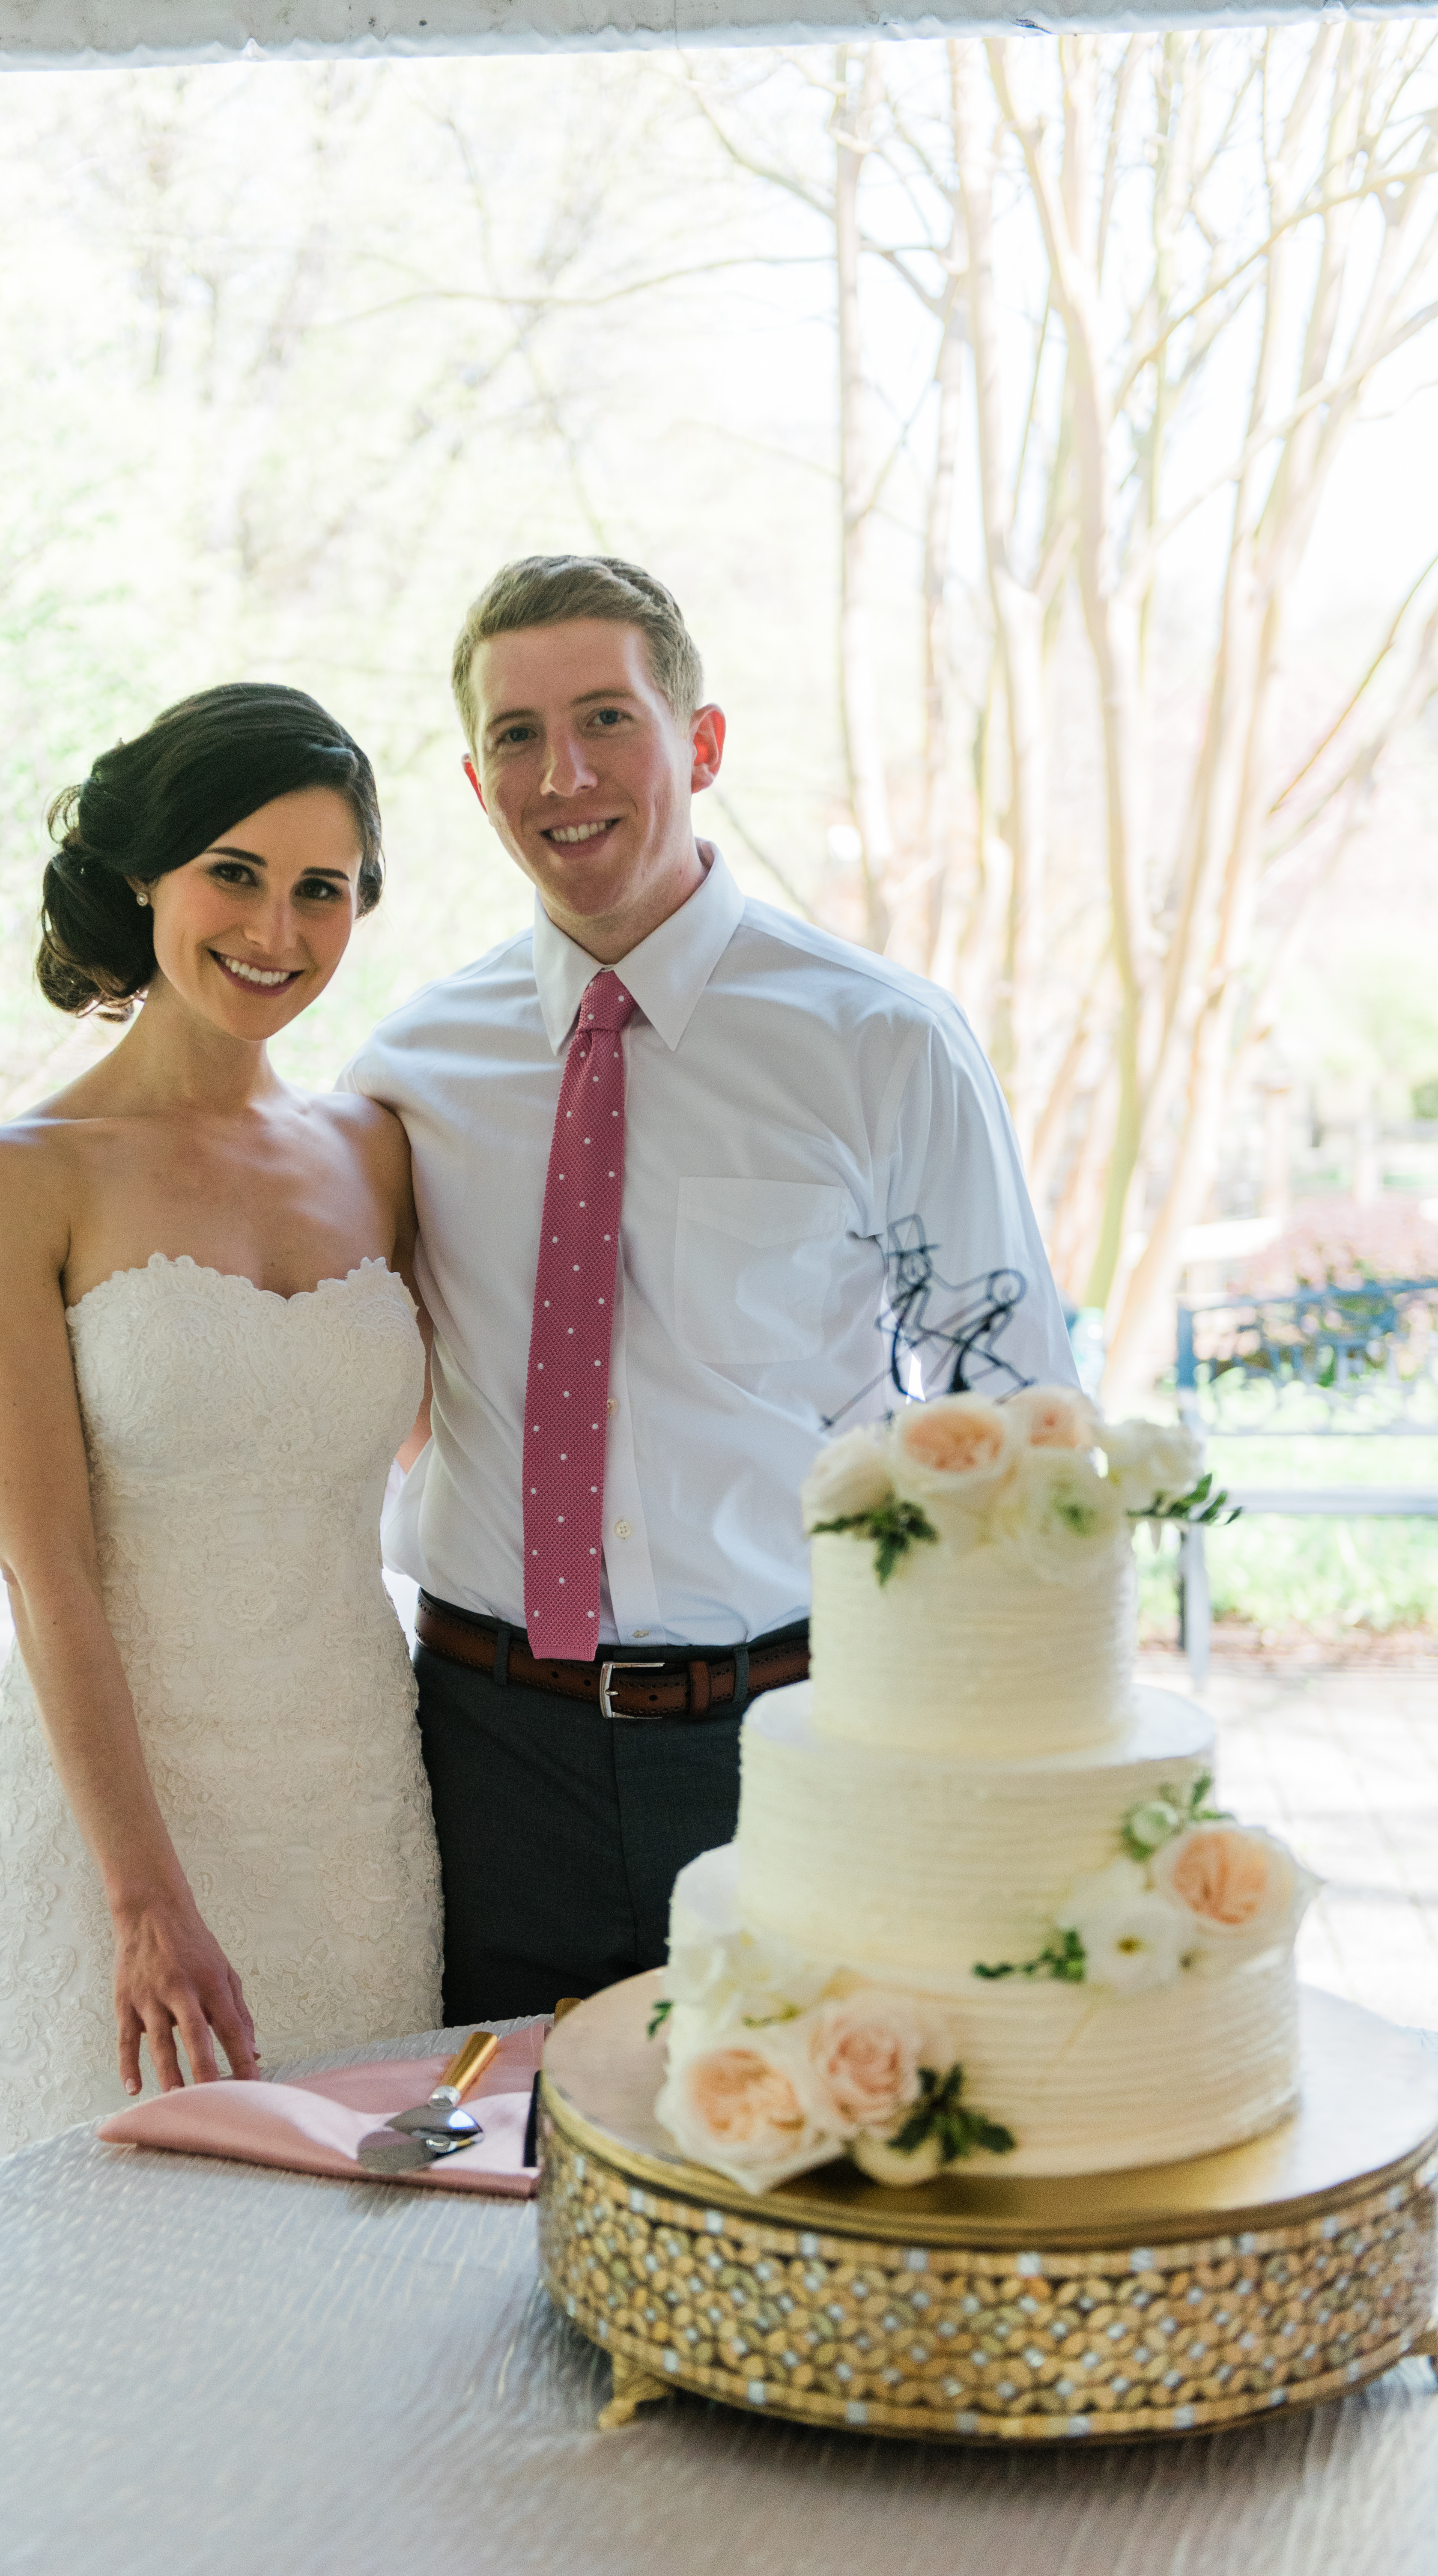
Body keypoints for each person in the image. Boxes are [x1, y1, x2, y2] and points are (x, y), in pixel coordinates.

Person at [343, 555, 1077, 2024]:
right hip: (480, 1753)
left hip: (786, 1740)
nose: (565, 774)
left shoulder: (882, 1046)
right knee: (479, 2200)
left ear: (705, 744)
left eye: (607, 718)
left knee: (793, 2170)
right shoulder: (412, 1069)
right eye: (515, 736)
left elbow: (1021, 1425)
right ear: (477, 785)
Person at [0, 683, 441, 2172]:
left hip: (354, 1816)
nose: (275, 931)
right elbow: (48, 1577)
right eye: (235, 872)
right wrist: (143, 1900)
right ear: (147, 873)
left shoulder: (380, 1151)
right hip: (110, 1835)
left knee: (342, 2270)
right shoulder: (16, 1180)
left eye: (322, 891)